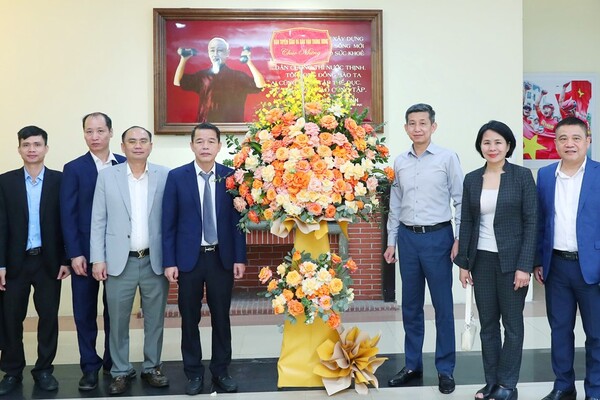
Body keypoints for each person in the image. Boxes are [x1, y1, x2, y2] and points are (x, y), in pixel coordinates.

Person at [384, 103, 463, 394]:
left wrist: (459, 239)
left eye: (423, 123)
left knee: (443, 307)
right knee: (411, 306)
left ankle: (445, 369)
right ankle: (412, 364)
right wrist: (391, 241)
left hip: (438, 238)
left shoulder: (447, 158)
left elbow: (460, 200)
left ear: (433, 126)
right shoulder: (399, 162)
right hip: (408, 239)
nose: (417, 128)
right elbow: (395, 204)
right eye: (412, 123)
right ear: (406, 127)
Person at [455, 121, 537, 400]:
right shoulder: (471, 179)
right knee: (488, 325)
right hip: (482, 261)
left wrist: (525, 266)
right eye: (487, 142)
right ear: (480, 146)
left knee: (512, 326)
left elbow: (532, 222)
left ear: (508, 145)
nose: (492, 148)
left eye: (498, 142)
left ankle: (507, 385)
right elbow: (467, 221)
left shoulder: (522, 177)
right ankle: (491, 382)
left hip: (513, 264)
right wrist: (464, 263)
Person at [162, 122, 246, 395]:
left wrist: (239, 258)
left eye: (211, 141)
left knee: (221, 317)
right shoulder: (177, 177)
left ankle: (221, 372)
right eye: (200, 141)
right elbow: (168, 223)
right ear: (192, 146)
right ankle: (194, 374)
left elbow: (238, 222)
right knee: (189, 318)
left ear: (219, 146)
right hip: (189, 260)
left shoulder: (231, 177)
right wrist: (169, 261)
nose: (205, 146)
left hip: (221, 258)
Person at [90, 126, 170, 395]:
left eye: (143, 141)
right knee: (117, 320)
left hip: (154, 261)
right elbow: (98, 220)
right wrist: (98, 259)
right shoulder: (107, 176)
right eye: (132, 141)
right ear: (122, 147)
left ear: (151, 146)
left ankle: (152, 367)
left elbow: (171, 220)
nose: (138, 145)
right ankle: (120, 371)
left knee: (155, 319)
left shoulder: (164, 175)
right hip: (118, 262)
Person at [0, 126, 71, 396]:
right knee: (11, 319)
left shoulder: (60, 181)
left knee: (48, 318)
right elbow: (1, 226)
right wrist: (0, 264)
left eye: (37, 144)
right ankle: (12, 371)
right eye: (26, 144)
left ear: (46, 148)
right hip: (14, 263)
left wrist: (65, 258)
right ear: (19, 148)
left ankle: (43, 370)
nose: (32, 149)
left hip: (48, 263)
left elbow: (66, 223)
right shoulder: (5, 182)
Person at [534, 116, 600, 400]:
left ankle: (595, 390)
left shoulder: (598, 173)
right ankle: (563, 386)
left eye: (576, 138)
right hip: (557, 267)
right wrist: (538, 259)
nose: (569, 144)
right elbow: (540, 220)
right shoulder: (545, 175)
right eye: (563, 138)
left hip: (593, 268)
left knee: (596, 334)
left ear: (588, 141)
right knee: (559, 331)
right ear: (556, 143)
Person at [60, 112, 126, 391]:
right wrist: (74, 253)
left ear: (111, 132)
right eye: (89, 131)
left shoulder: (125, 163)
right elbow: (68, 214)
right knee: (84, 313)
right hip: (84, 256)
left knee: (115, 312)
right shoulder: (74, 168)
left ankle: (113, 363)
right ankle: (89, 366)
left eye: (100, 131)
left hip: (119, 253)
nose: (95, 136)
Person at [173, 37, 266, 122]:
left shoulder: (238, 76)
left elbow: (260, 85)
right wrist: (183, 59)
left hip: (232, 127)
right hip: (206, 127)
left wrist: (249, 62)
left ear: (227, 53)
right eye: (212, 50)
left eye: (220, 50)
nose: (215, 54)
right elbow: (178, 82)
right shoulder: (202, 76)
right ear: (208, 53)